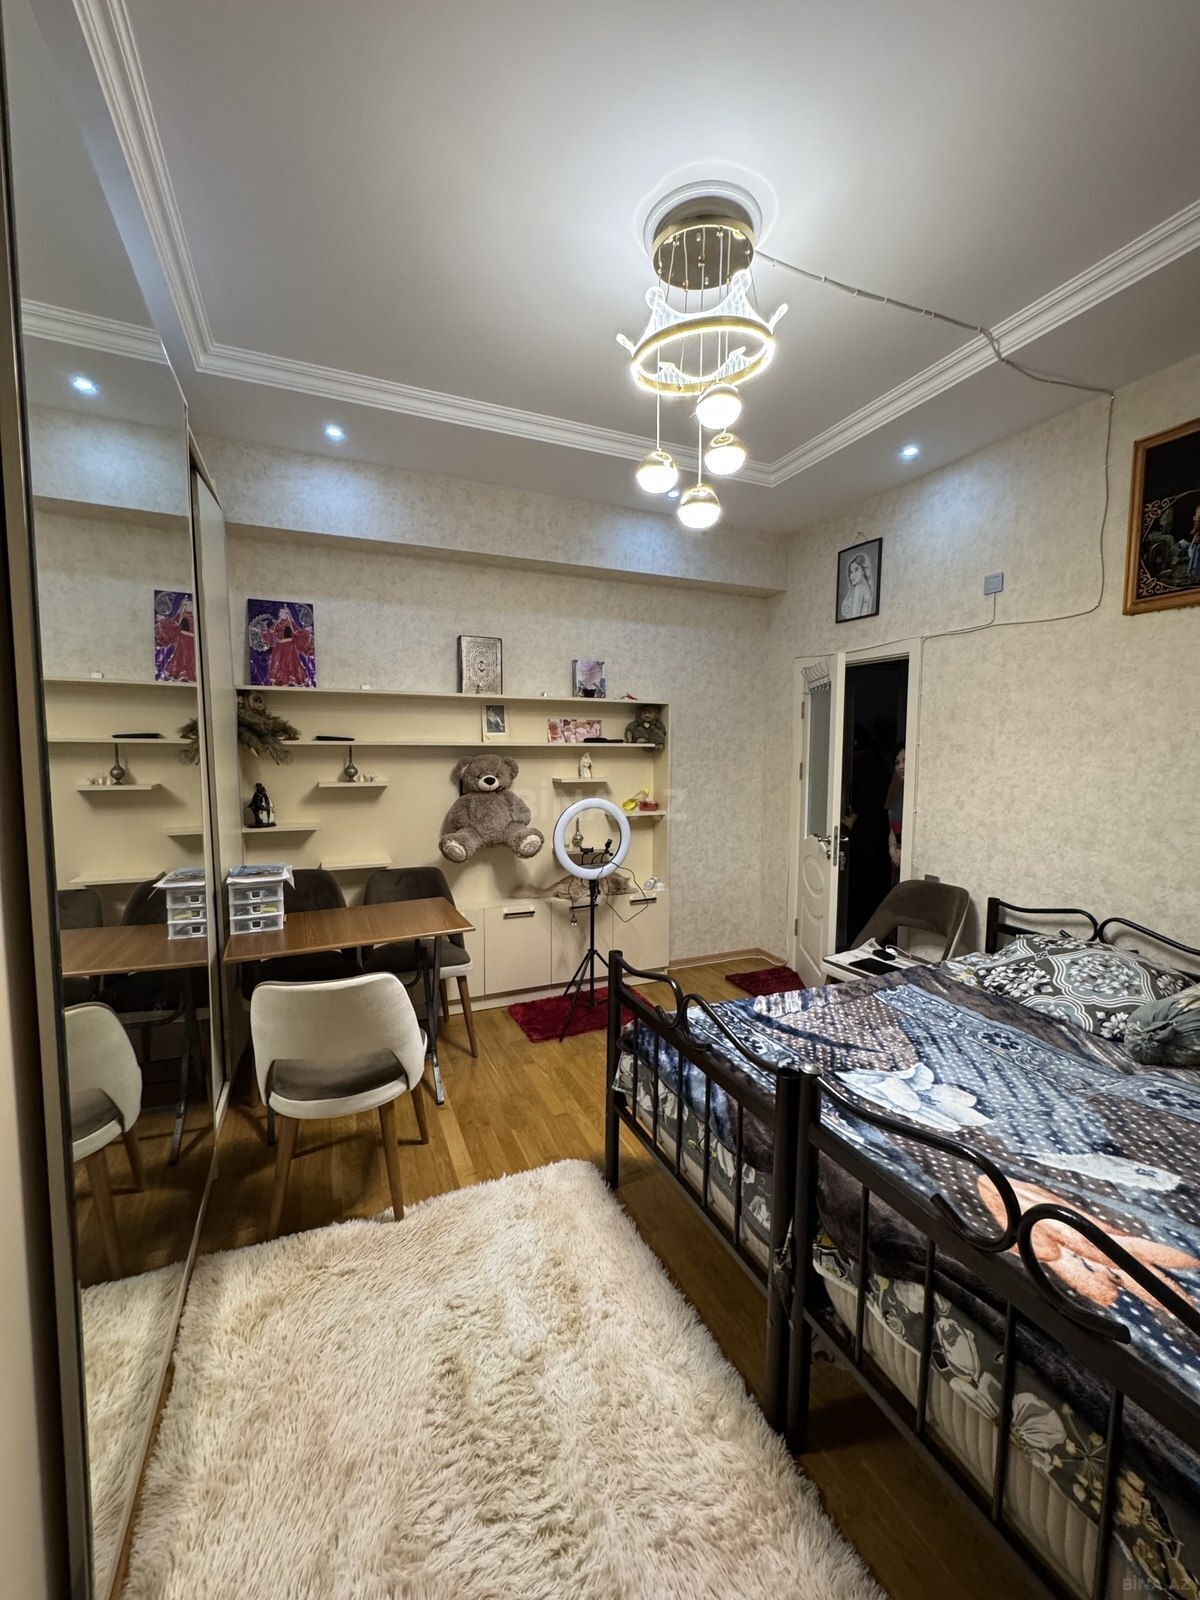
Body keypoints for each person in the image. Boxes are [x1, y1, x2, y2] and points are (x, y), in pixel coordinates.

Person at [886, 746, 905, 873]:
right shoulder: (895, 791)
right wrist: (892, 849)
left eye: (905, 761)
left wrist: (903, 852)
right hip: (897, 856)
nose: (900, 766)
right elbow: (892, 828)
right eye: (897, 763)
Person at [840, 552, 876, 619]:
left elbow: (853, 618)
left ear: (863, 571)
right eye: (851, 572)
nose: (852, 575)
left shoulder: (859, 587)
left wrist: (847, 614)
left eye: (856, 569)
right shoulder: (866, 588)